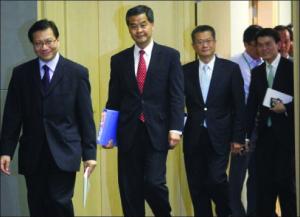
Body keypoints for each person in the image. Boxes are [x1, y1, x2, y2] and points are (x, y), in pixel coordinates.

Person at [0, 19, 97, 217]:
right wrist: (6, 151)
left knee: (59, 201)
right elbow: (12, 116)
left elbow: (85, 116)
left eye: (49, 41)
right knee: (37, 203)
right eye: (38, 43)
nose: (44, 47)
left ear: (58, 40)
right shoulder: (21, 74)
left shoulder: (77, 73)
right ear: (32, 45)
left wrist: (89, 154)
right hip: (33, 151)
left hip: (64, 150)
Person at [105, 5, 184, 217]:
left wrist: (176, 128)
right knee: (129, 189)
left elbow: (177, 95)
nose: (139, 30)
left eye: (143, 25)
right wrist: (108, 134)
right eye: (133, 26)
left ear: (152, 25)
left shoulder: (170, 56)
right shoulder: (118, 60)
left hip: (157, 130)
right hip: (128, 132)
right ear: (128, 29)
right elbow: (113, 100)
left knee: (153, 182)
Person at [183, 25, 246, 217]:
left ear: (215, 42)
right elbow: (177, 104)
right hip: (194, 136)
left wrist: (238, 138)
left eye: (208, 41)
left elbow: (239, 107)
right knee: (196, 186)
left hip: (220, 136)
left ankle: (225, 212)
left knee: (216, 180)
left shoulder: (230, 69)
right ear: (193, 45)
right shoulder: (184, 70)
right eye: (200, 42)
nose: (204, 45)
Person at [246, 28, 296, 217]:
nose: (264, 48)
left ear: (278, 44)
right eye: (260, 45)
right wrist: (244, 136)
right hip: (264, 141)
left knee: (287, 191)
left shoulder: (292, 68)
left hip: (287, 140)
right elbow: (251, 106)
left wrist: (287, 108)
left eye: (268, 44)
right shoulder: (257, 72)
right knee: (264, 192)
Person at [229, 24, 263, 217]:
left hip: (262, 126)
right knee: (237, 177)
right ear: (246, 44)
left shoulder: (264, 64)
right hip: (242, 128)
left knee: (257, 177)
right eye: (255, 45)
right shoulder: (234, 64)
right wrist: (238, 133)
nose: (260, 49)